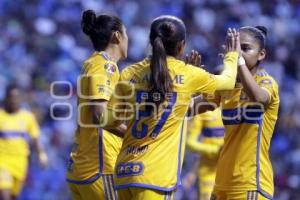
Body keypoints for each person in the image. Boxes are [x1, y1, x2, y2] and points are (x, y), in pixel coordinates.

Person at [104, 15, 240, 200]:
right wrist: (232, 56)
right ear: (181, 46)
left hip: (124, 173)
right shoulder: (188, 73)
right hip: (155, 177)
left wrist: (136, 134)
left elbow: (108, 121)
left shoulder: (130, 72)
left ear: (151, 42)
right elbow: (228, 82)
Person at [192, 26, 280, 200]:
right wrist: (190, 81)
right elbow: (188, 109)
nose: (239, 52)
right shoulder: (227, 86)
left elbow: (258, 97)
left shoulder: (267, 82)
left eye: (245, 48)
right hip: (221, 183)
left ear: (261, 54)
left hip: (252, 184)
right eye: (235, 47)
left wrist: (237, 61)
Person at [66, 10, 128, 200]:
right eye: (126, 35)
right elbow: (100, 116)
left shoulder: (92, 62)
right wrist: (135, 135)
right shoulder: (105, 66)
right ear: (117, 36)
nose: (128, 40)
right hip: (101, 168)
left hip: (83, 167)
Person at [0, 85, 47, 200]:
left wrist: (41, 154)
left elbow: (35, 137)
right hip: (2, 161)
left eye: (16, 97)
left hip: (20, 162)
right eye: (11, 97)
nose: (13, 100)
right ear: (6, 98)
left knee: (13, 196)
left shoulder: (27, 117)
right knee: (5, 194)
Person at [184, 107, 224, 200]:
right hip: (208, 170)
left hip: (231, 169)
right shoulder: (204, 110)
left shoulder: (236, 106)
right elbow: (190, 142)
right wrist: (215, 150)